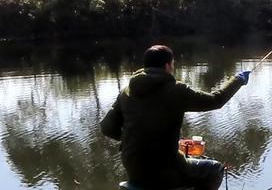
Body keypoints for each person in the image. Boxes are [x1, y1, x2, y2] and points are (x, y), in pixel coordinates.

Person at [100, 45, 251, 190]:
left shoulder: (127, 92)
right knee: (215, 169)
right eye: (172, 64)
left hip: (134, 168)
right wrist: (238, 80)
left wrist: (131, 139)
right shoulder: (176, 91)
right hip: (165, 170)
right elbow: (215, 100)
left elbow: (106, 127)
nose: (173, 68)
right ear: (167, 66)